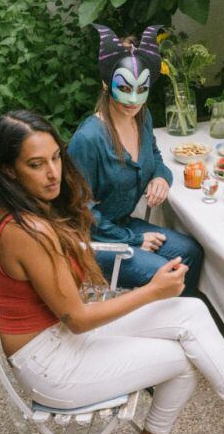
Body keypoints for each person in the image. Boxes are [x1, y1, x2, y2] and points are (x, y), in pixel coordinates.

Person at [0, 110, 224, 434]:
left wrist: (152, 288)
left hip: (58, 333)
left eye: (55, 158)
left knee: (189, 311)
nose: (53, 173)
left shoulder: (30, 209)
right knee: (186, 356)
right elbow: (79, 319)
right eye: (36, 164)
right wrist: (152, 291)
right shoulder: (28, 230)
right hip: (52, 364)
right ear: (9, 169)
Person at [68, 25, 203, 293]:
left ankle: (180, 316)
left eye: (141, 89)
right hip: (93, 241)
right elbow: (79, 212)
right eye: (124, 87)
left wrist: (161, 177)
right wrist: (133, 239)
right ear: (106, 83)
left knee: (190, 251)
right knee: (166, 271)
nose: (133, 99)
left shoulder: (142, 117)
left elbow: (154, 156)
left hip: (123, 225)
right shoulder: (89, 139)